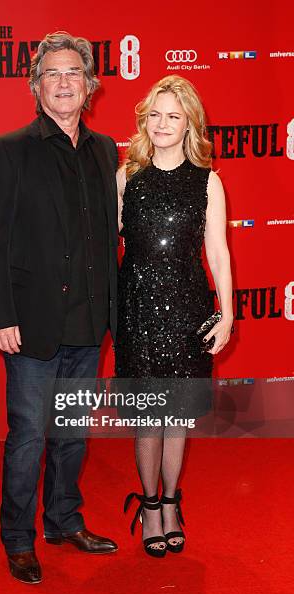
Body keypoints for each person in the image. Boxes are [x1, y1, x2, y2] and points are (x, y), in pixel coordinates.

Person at [0, 31, 119, 584]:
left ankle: (63, 521)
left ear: (89, 86)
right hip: (31, 322)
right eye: (52, 75)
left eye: (73, 74)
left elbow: (108, 237)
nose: (64, 83)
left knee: (73, 432)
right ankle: (18, 538)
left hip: (88, 320)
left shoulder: (107, 150)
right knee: (31, 433)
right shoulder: (8, 149)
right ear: (36, 87)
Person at [115, 76, 233, 557]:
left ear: (190, 124)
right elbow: (107, 246)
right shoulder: (127, 176)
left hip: (187, 308)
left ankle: (169, 502)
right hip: (137, 307)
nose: (162, 124)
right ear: (146, 119)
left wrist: (227, 313)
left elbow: (219, 253)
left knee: (177, 417)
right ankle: (147, 507)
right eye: (156, 114)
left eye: (174, 115)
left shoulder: (208, 180)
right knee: (148, 418)